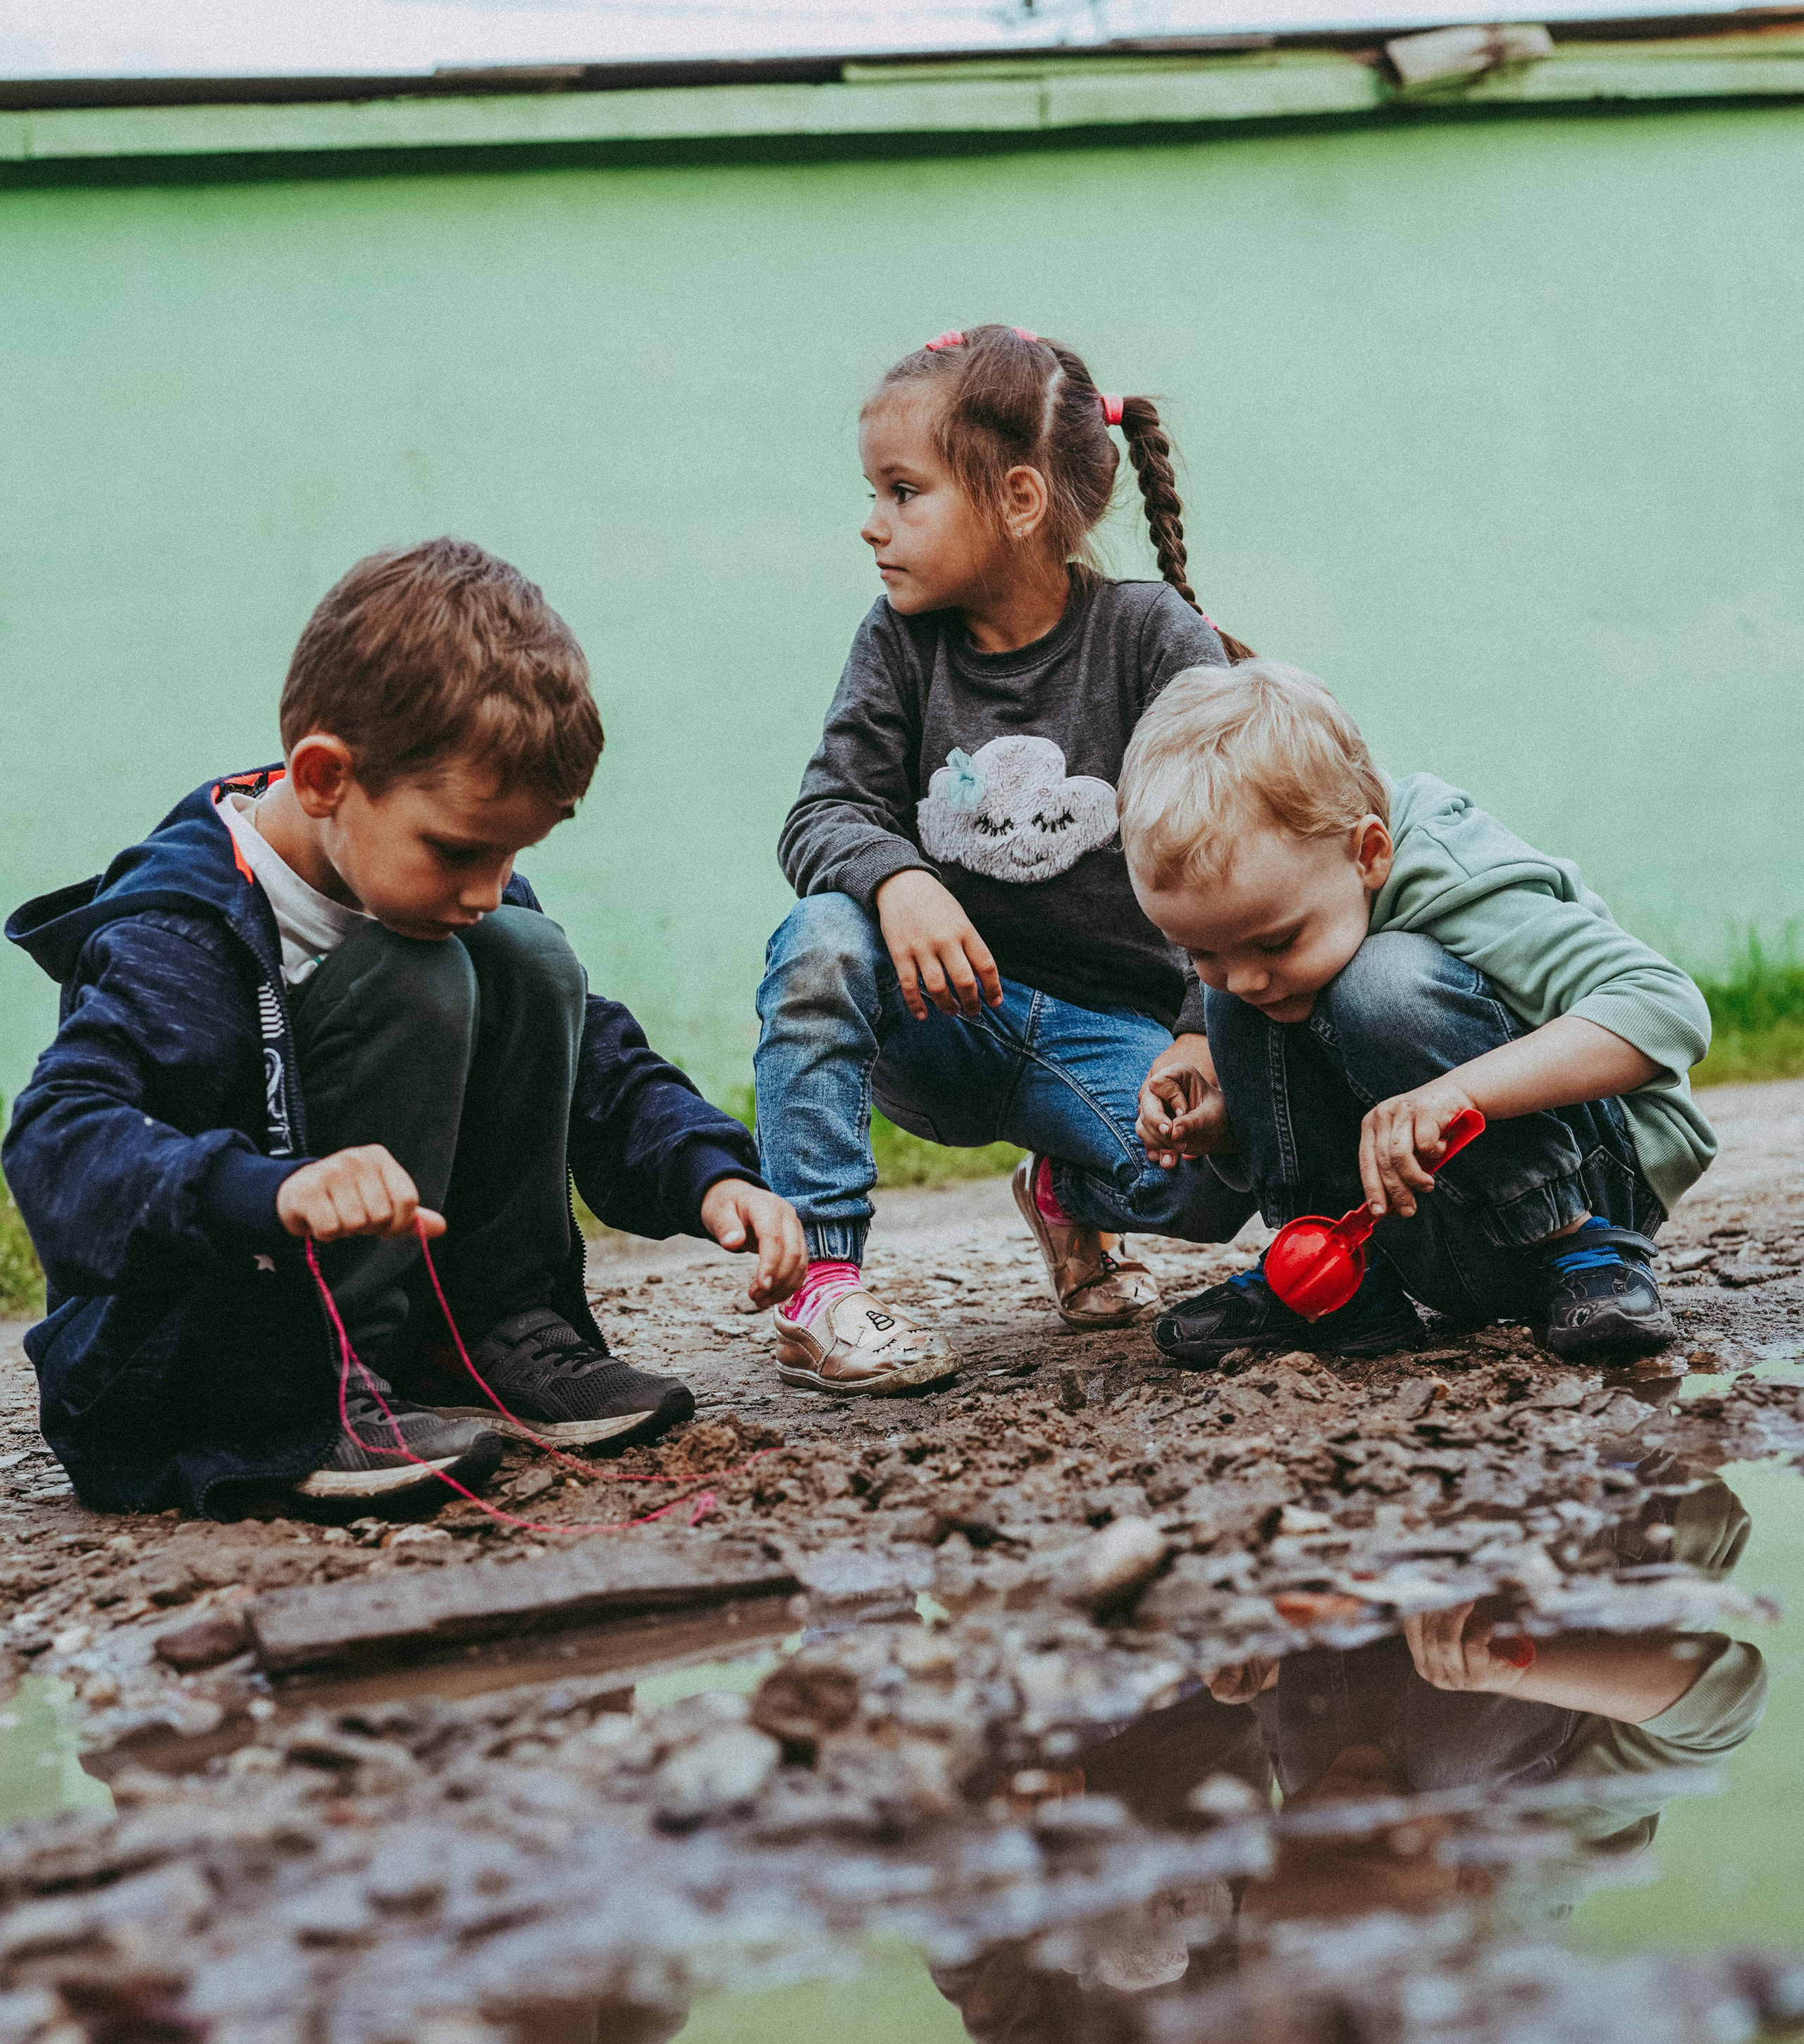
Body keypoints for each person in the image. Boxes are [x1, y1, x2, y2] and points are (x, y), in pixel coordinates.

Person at [4, 538, 803, 1517]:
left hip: (393, 1329)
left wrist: (709, 1172)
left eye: (514, 851)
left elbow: (592, 1055)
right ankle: (324, 1392)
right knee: (414, 973)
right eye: (462, 848)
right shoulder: (178, 932)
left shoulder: (454, 891)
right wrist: (270, 1189)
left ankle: (490, 1336)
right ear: (327, 777)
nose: (488, 885)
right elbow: (56, 1143)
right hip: (195, 1369)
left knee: (530, 952)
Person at [754, 320, 1254, 1396]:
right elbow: (822, 811)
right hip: (943, 1028)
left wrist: (1199, 1032)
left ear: (1020, 501)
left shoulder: (1151, 639)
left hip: (1106, 1032)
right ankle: (820, 1286)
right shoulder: (896, 643)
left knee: (1213, 1189)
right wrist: (899, 879)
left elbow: (1236, 842)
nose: (871, 526)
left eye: (903, 492)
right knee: (819, 935)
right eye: (876, 494)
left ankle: (1068, 1195)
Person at [1114, 657, 1715, 1366]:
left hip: (1595, 1185)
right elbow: (1281, 1032)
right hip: (1419, 1217)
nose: (1241, 974)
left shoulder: (1453, 867)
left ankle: (1576, 1250)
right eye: (1199, 951)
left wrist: (1461, 1094)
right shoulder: (1267, 948)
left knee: (1383, 980)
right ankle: (1330, 1281)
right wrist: (1231, 1127)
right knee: (1249, 1001)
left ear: (1368, 853)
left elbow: (1666, 1010)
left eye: (1276, 938)